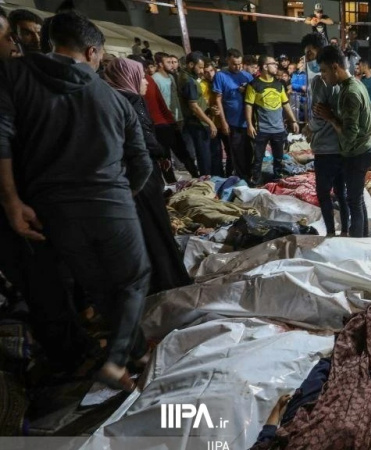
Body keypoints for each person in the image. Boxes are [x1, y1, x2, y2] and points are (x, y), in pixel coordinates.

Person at [0, 11, 153, 392]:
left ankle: (136, 352)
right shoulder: (113, 98)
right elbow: (141, 162)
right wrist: (123, 196)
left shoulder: (15, 76)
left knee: (98, 285)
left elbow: (2, 139)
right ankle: (117, 361)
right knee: (133, 280)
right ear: (91, 52)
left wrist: (12, 200)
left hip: (51, 210)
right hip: (110, 202)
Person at [104, 57, 192, 295]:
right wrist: (160, 151)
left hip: (127, 174)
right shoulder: (130, 101)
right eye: (141, 77)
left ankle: (159, 278)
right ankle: (168, 279)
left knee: (147, 228)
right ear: (129, 78)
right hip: (139, 175)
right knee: (154, 226)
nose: (145, 81)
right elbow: (143, 140)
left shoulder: (111, 100)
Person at [314, 45, 371, 238]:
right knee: (357, 200)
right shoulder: (356, 84)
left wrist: (331, 117)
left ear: (335, 67)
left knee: (353, 201)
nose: (322, 76)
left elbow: (349, 135)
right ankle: (363, 238)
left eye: (324, 71)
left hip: (357, 153)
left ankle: (356, 243)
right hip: (363, 150)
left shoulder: (350, 93)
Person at [302, 33, 350, 237]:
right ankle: (345, 231)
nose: (308, 59)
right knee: (341, 192)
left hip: (326, 148)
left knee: (323, 192)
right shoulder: (344, 79)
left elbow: (320, 115)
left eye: (310, 53)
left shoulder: (321, 81)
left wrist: (309, 128)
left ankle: (331, 233)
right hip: (341, 146)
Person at [245, 56, 300, 185]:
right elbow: (248, 105)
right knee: (258, 158)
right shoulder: (254, 85)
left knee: (279, 157)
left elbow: (285, 104)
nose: (276, 65)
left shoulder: (279, 84)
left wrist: (293, 121)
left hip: (278, 128)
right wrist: (249, 125)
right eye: (273, 64)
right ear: (265, 66)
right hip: (261, 129)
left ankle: (277, 178)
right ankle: (256, 181)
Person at [213, 48, 254, 180]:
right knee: (237, 153)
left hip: (248, 121)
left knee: (249, 151)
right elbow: (218, 99)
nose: (237, 67)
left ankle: (250, 175)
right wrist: (223, 122)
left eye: (239, 64)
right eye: (234, 64)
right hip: (232, 122)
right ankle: (242, 178)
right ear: (227, 61)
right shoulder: (220, 76)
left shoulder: (247, 76)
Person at [178, 52, 218, 177]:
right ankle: (206, 181)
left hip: (197, 121)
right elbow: (194, 107)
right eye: (200, 67)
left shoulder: (185, 77)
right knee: (204, 156)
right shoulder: (189, 81)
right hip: (198, 123)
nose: (201, 71)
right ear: (191, 65)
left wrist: (209, 109)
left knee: (205, 155)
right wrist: (211, 123)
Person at [201, 62, 225, 176]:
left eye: (211, 71)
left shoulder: (221, 81)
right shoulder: (202, 85)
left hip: (224, 122)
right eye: (206, 72)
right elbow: (201, 105)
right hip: (211, 123)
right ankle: (217, 175)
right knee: (215, 152)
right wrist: (211, 109)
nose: (210, 74)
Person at [290, 57, 308, 122]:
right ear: (298, 65)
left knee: (307, 117)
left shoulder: (308, 74)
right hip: (298, 99)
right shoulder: (295, 74)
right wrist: (301, 87)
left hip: (307, 99)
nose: (303, 64)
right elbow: (293, 84)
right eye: (302, 63)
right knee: (298, 117)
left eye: (305, 62)